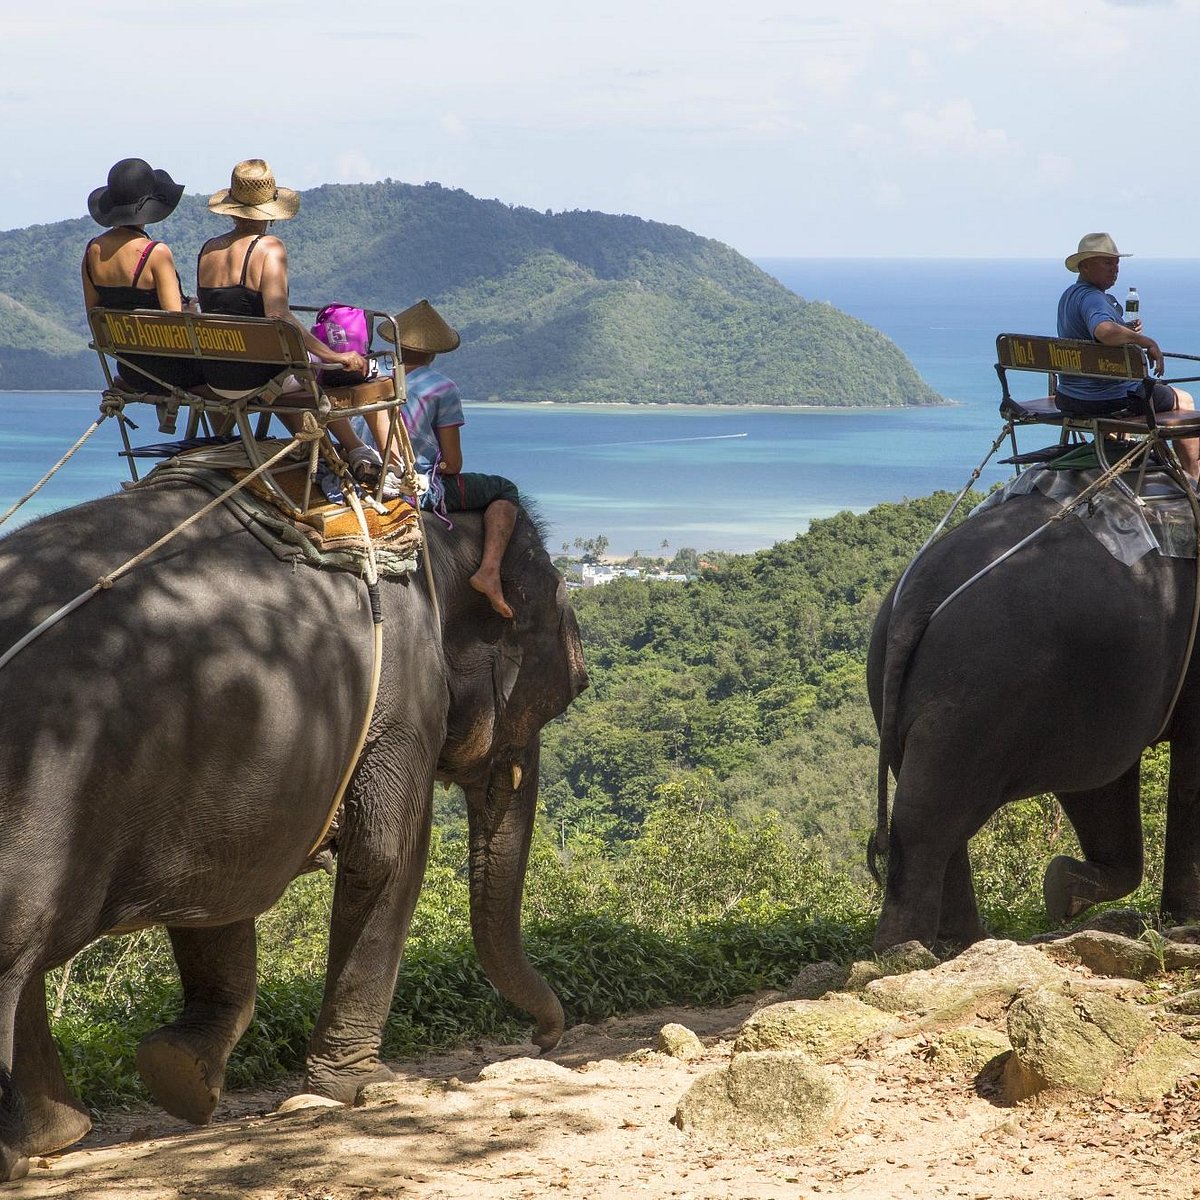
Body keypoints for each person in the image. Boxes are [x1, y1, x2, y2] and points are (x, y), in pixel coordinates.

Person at [197, 159, 378, 471]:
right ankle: (357, 448)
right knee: (304, 373)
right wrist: (337, 357)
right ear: (270, 209)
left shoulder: (208, 249)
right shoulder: (269, 248)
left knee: (288, 375)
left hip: (217, 377)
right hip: (257, 378)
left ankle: (314, 445)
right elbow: (279, 316)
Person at [363, 301, 519, 619]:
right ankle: (489, 571)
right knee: (503, 490)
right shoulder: (442, 388)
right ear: (435, 352)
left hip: (360, 475)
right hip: (410, 485)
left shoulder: (373, 379)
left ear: (397, 345)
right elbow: (453, 463)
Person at [1055, 231, 1199, 478]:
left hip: (1069, 396)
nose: (1116, 269)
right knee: (1183, 400)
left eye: (1117, 263)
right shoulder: (1093, 298)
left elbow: (1102, 334)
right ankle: (1194, 479)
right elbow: (1104, 331)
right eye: (1108, 262)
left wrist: (1126, 332)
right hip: (1103, 399)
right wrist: (1144, 340)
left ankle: (1115, 453)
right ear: (1085, 265)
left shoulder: (1070, 295)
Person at [81, 157, 201, 393]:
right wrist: (189, 311)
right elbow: (174, 326)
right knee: (220, 376)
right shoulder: (156, 253)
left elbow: (95, 317)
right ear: (150, 206)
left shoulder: (92, 251)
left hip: (130, 370)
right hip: (171, 372)